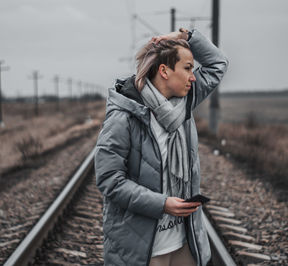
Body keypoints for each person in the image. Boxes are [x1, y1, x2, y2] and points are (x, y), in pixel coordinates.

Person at [95, 28, 228, 266]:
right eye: (187, 68)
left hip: (183, 243)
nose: (194, 76)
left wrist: (185, 37)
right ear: (165, 71)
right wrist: (162, 204)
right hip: (142, 247)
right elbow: (109, 180)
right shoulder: (123, 116)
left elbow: (218, 64)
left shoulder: (185, 103)